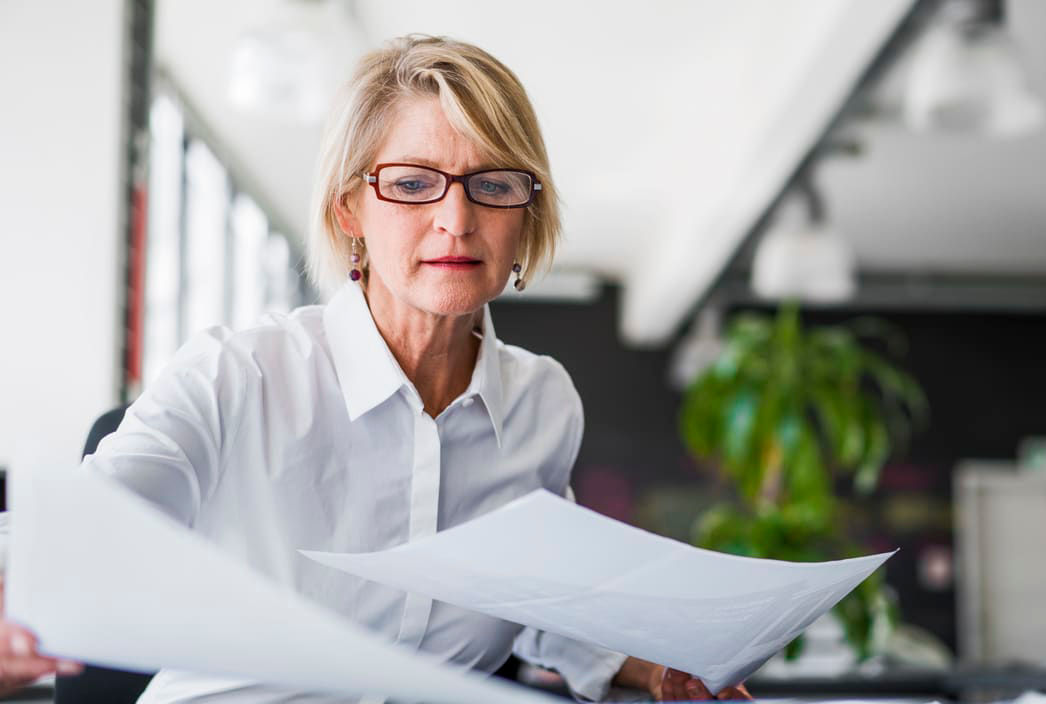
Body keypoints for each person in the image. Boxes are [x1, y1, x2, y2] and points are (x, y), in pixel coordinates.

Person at [0, 35, 751, 702]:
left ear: (525, 212)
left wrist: (648, 669)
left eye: (492, 185)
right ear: (349, 212)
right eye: (414, 183)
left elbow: (531, 598)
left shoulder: (541, 404)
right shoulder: (238, 377)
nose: (456, 221)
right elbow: (73, 535)